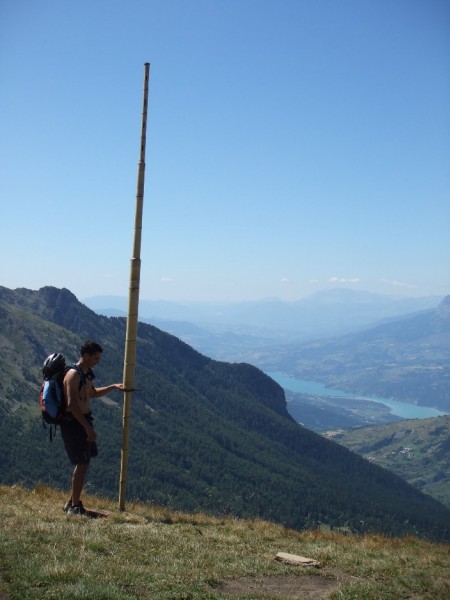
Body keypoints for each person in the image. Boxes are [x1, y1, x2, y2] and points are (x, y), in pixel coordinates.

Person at [61, 340, 124, 515]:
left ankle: (72, 502)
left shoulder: (86, 374)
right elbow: (71, 403)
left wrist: (112, 387)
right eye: (95, 358)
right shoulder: (73, 374)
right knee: (82, 462)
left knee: (84, 461)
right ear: (86, 356)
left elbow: (92, 394)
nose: (98, 361)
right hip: (73, 423)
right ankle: (74, 507)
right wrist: (87, 427)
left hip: (83, 421)